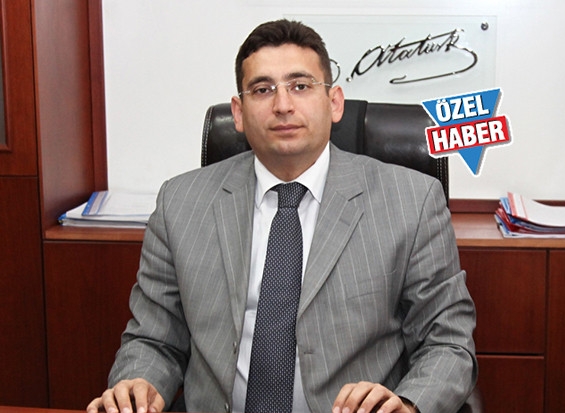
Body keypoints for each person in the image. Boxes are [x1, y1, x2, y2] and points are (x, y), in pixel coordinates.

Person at [87, 19, 476, 413]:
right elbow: (154, 339)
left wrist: (408, 405)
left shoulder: (411, 201)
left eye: (301, 86)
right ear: (238, 113)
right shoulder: (180, 203)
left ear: (334, 102)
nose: (283, 105)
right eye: (262, 90)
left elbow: (447, 341)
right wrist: (139, 385)